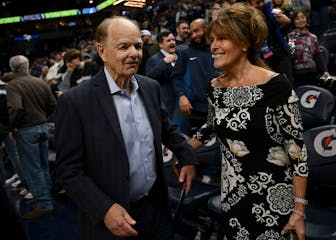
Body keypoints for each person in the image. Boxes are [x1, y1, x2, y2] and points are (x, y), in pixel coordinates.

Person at [55, 16, 198, 240]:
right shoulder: (75, 102)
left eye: (138, 46)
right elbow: (68, 171)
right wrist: (103, 209)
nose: (134, 53)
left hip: (157, 210)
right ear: (101, 51)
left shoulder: (150, 87)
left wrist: (186, 155)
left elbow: (166, 129)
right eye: (124, 46)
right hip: (112, 221)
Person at [187, 3, 308, 239]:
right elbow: (210, 126)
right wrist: (184, 151)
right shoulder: (215, 87)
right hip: (232, 198)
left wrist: (299, 210)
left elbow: (297, 152)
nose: (213, 46)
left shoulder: (276, 85)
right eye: (212, 39)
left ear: (244, 43)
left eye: (222, 38)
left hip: (274, 202)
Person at [7, 55, 57, 219]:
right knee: (43, 166)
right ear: (27, 66)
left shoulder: (13, 85)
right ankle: (47, 198)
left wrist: (13, 126)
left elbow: (15, 109)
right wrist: (42, 117)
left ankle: (44, 204)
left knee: (33, 169)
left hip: (26, 130)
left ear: (13, 68)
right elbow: (53, 105)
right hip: (43, 126)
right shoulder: (40, 81)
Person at [172, 18, 216, 136]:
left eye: (197, 31)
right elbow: (176, 77)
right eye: (192, 32)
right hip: (193, 109)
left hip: (216, 106)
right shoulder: (186, 52)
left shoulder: (216, 49)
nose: (194, 35)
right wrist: (181, 96)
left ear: (206, 29)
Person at [248, 0, 295, 85]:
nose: (261, 4)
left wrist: (287, 23)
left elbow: (283, 32)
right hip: (261, 59)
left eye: (262, 1)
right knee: (269, 87)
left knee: (288, 84)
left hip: (280, 54)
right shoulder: (245, 18)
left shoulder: (270, 10)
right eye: (258, 3)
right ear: (249, 3)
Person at [288, 9, 330, 87]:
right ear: (293, 22)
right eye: (297, 18)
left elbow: (318, 55)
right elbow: (291, 56)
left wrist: (325, 71)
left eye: (302, 17)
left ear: (307, 19)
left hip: (313, 73)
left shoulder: (313, 37)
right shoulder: (290, 38)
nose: (300, 20)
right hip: (297, 75)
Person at [146, 31, 177, 118]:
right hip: (165, 102)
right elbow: (149, 77)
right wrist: (164, 62)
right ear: (161, 45)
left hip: (179, 101)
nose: (172, 42)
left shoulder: (178, 56)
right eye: (168, 40)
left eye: (173, 40)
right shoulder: (154, 59)